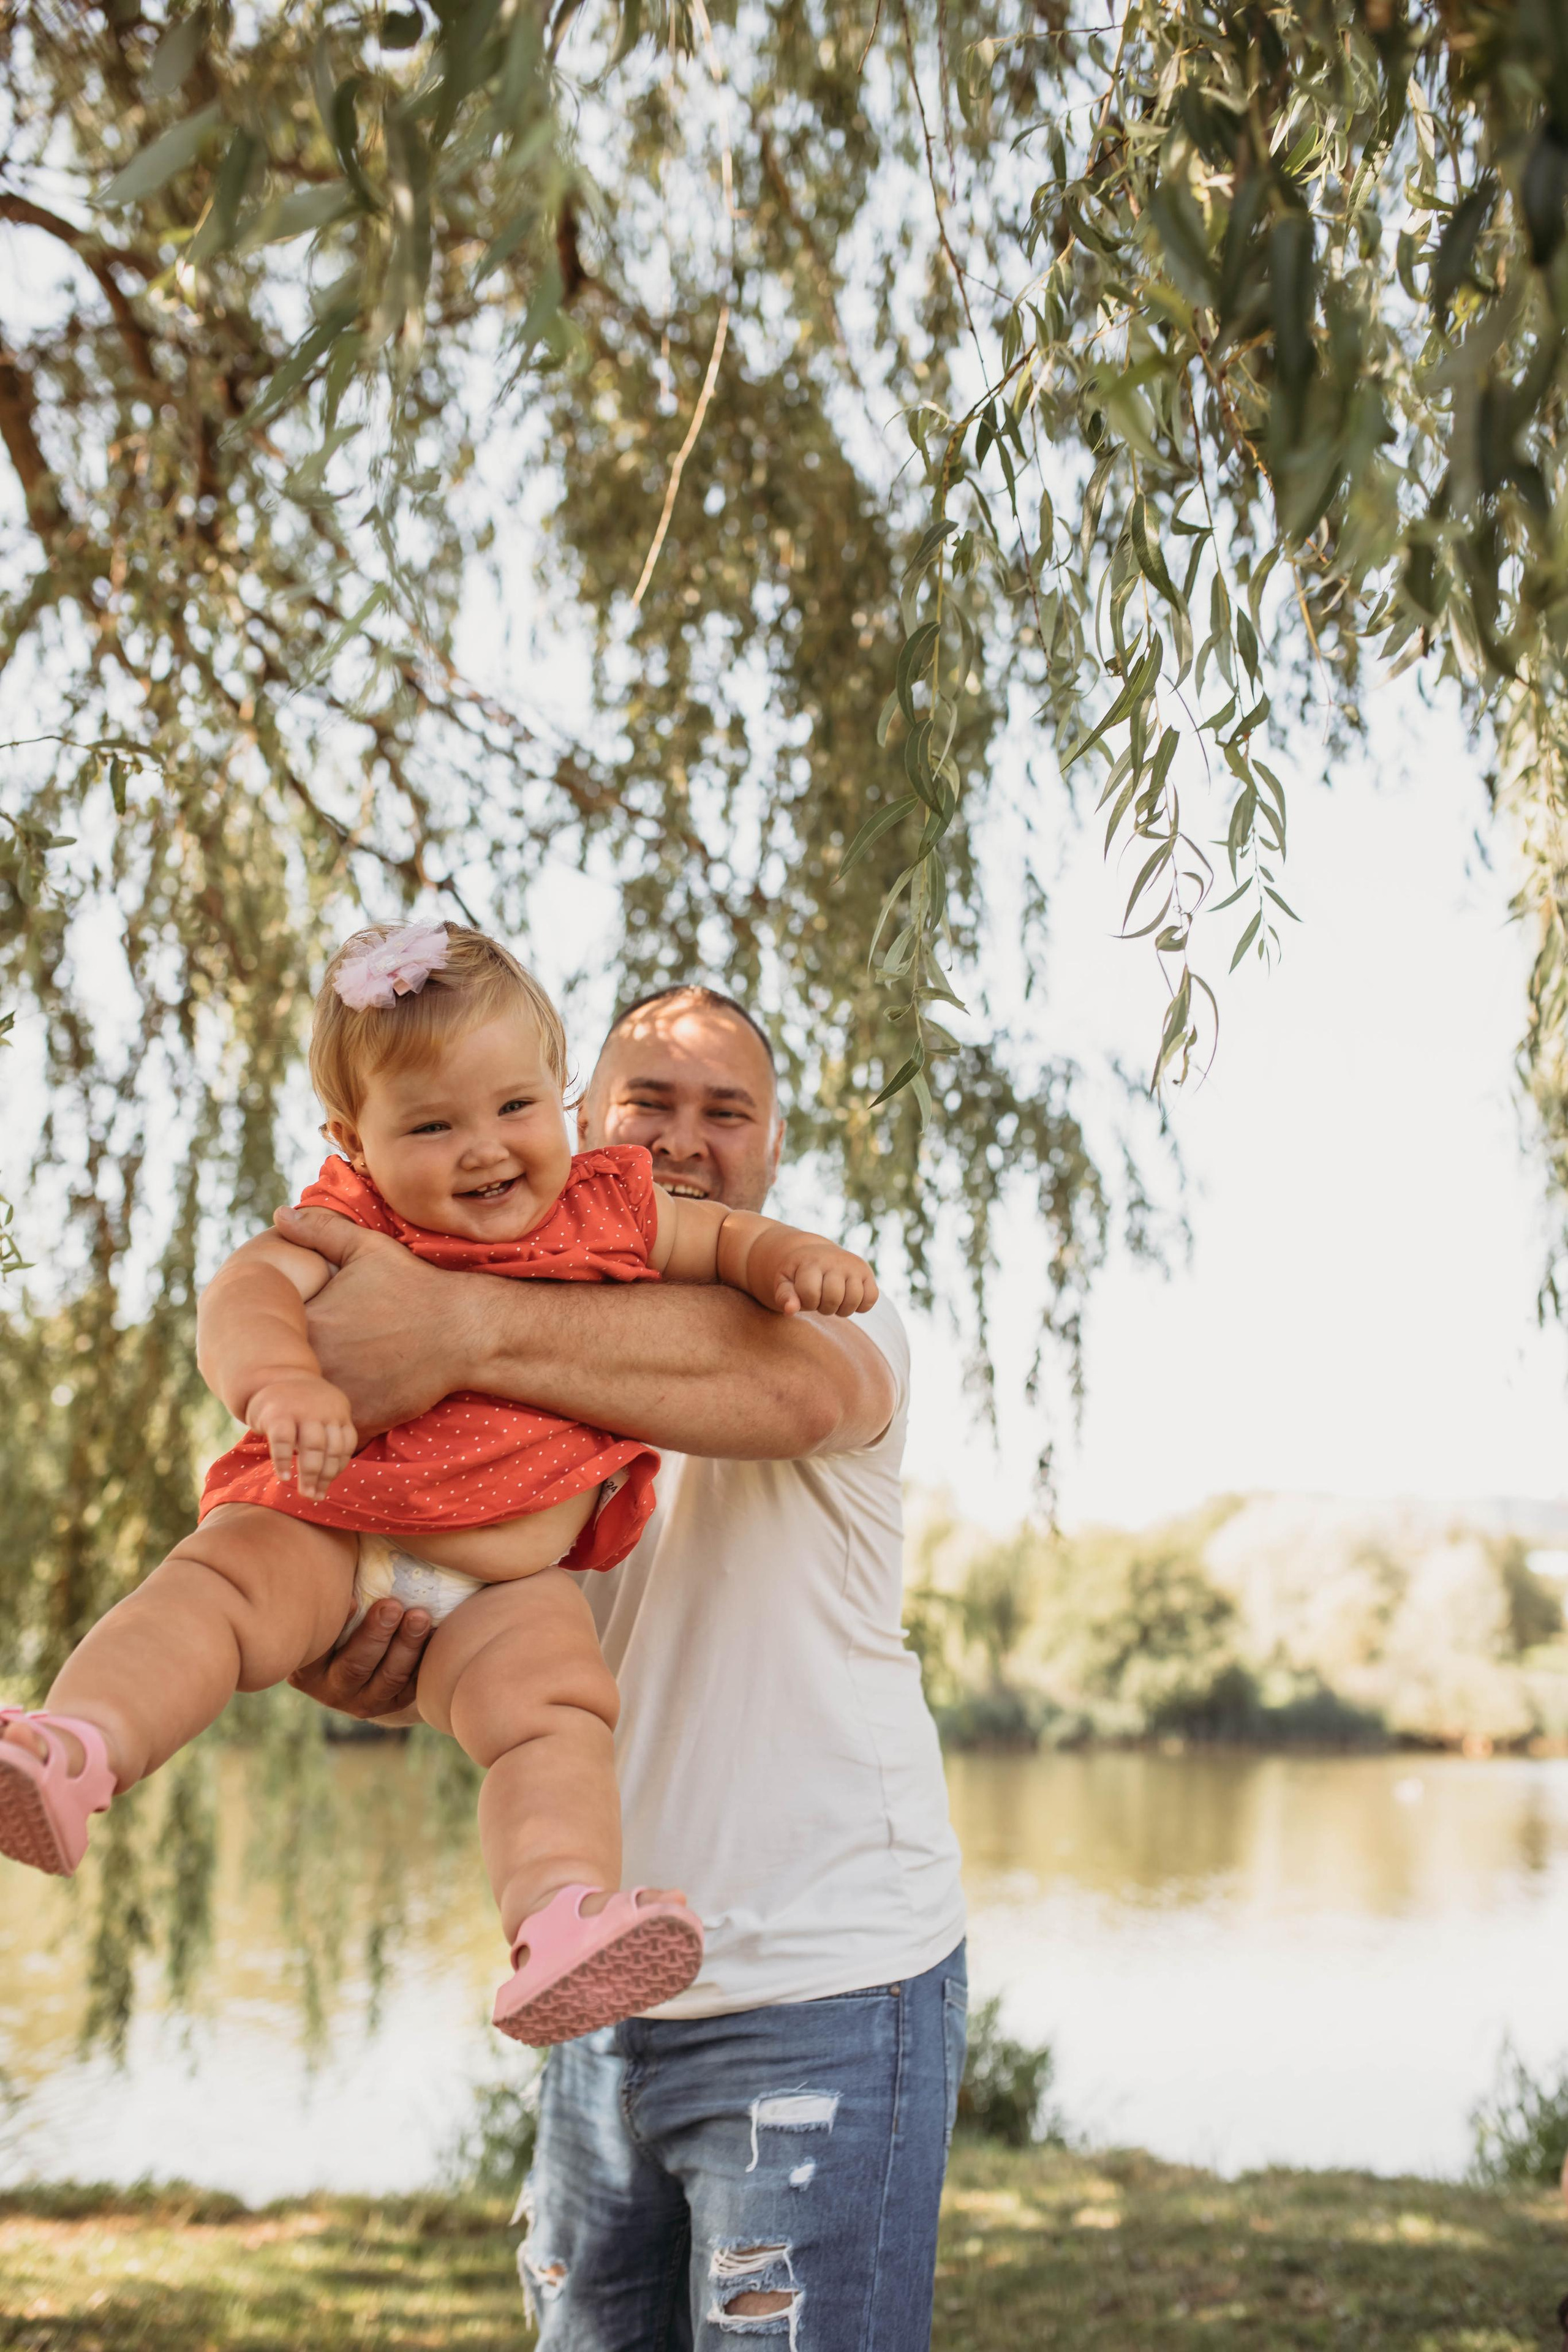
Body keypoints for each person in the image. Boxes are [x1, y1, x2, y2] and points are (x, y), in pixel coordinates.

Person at [0, 927, 877, 2051]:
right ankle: (77, 1747)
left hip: (509, 1586)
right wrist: (279, 1385)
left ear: (559, 1105)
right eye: (430, 1125)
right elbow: (245, 1293)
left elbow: (725, 1241)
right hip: (328, 1515)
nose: (482, 1150)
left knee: (555, 1722)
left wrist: (787, 1261)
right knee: (212, 1600)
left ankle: (561, 1919)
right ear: (352, 1141)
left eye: (514, 1109)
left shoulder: (607, 1212)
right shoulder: (348, 1219)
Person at [288, 981, 968, 2351]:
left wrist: (457, 1326)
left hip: (820, 1985)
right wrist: (374, 1656)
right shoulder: (488, 1342)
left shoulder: (830, 1310)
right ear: (581, 1120)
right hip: (596, 1981)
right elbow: (503, 1640)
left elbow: (788, 1393)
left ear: (770, 1151)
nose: (686, 1136)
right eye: (649, 1101)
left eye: (729, 1112)